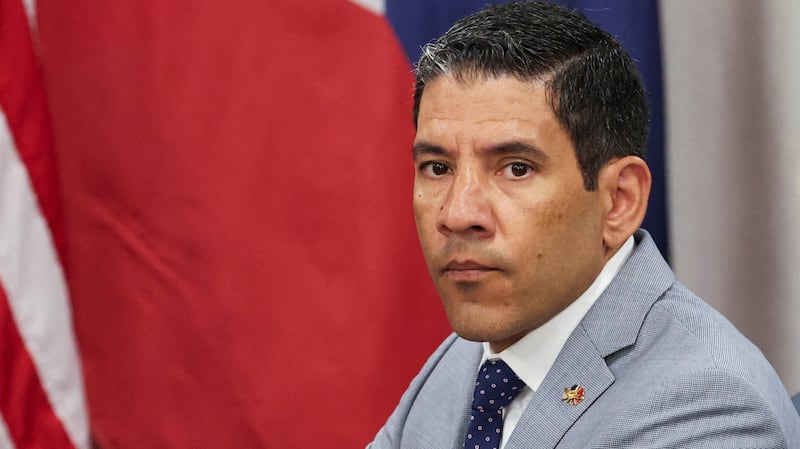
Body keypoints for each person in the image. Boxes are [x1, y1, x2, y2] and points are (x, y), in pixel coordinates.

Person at [367, 2, 800, 448]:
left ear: (618, 201)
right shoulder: (470, 357)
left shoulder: (710, 408)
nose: (457, 214)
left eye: (516, 168)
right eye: (438, 168)